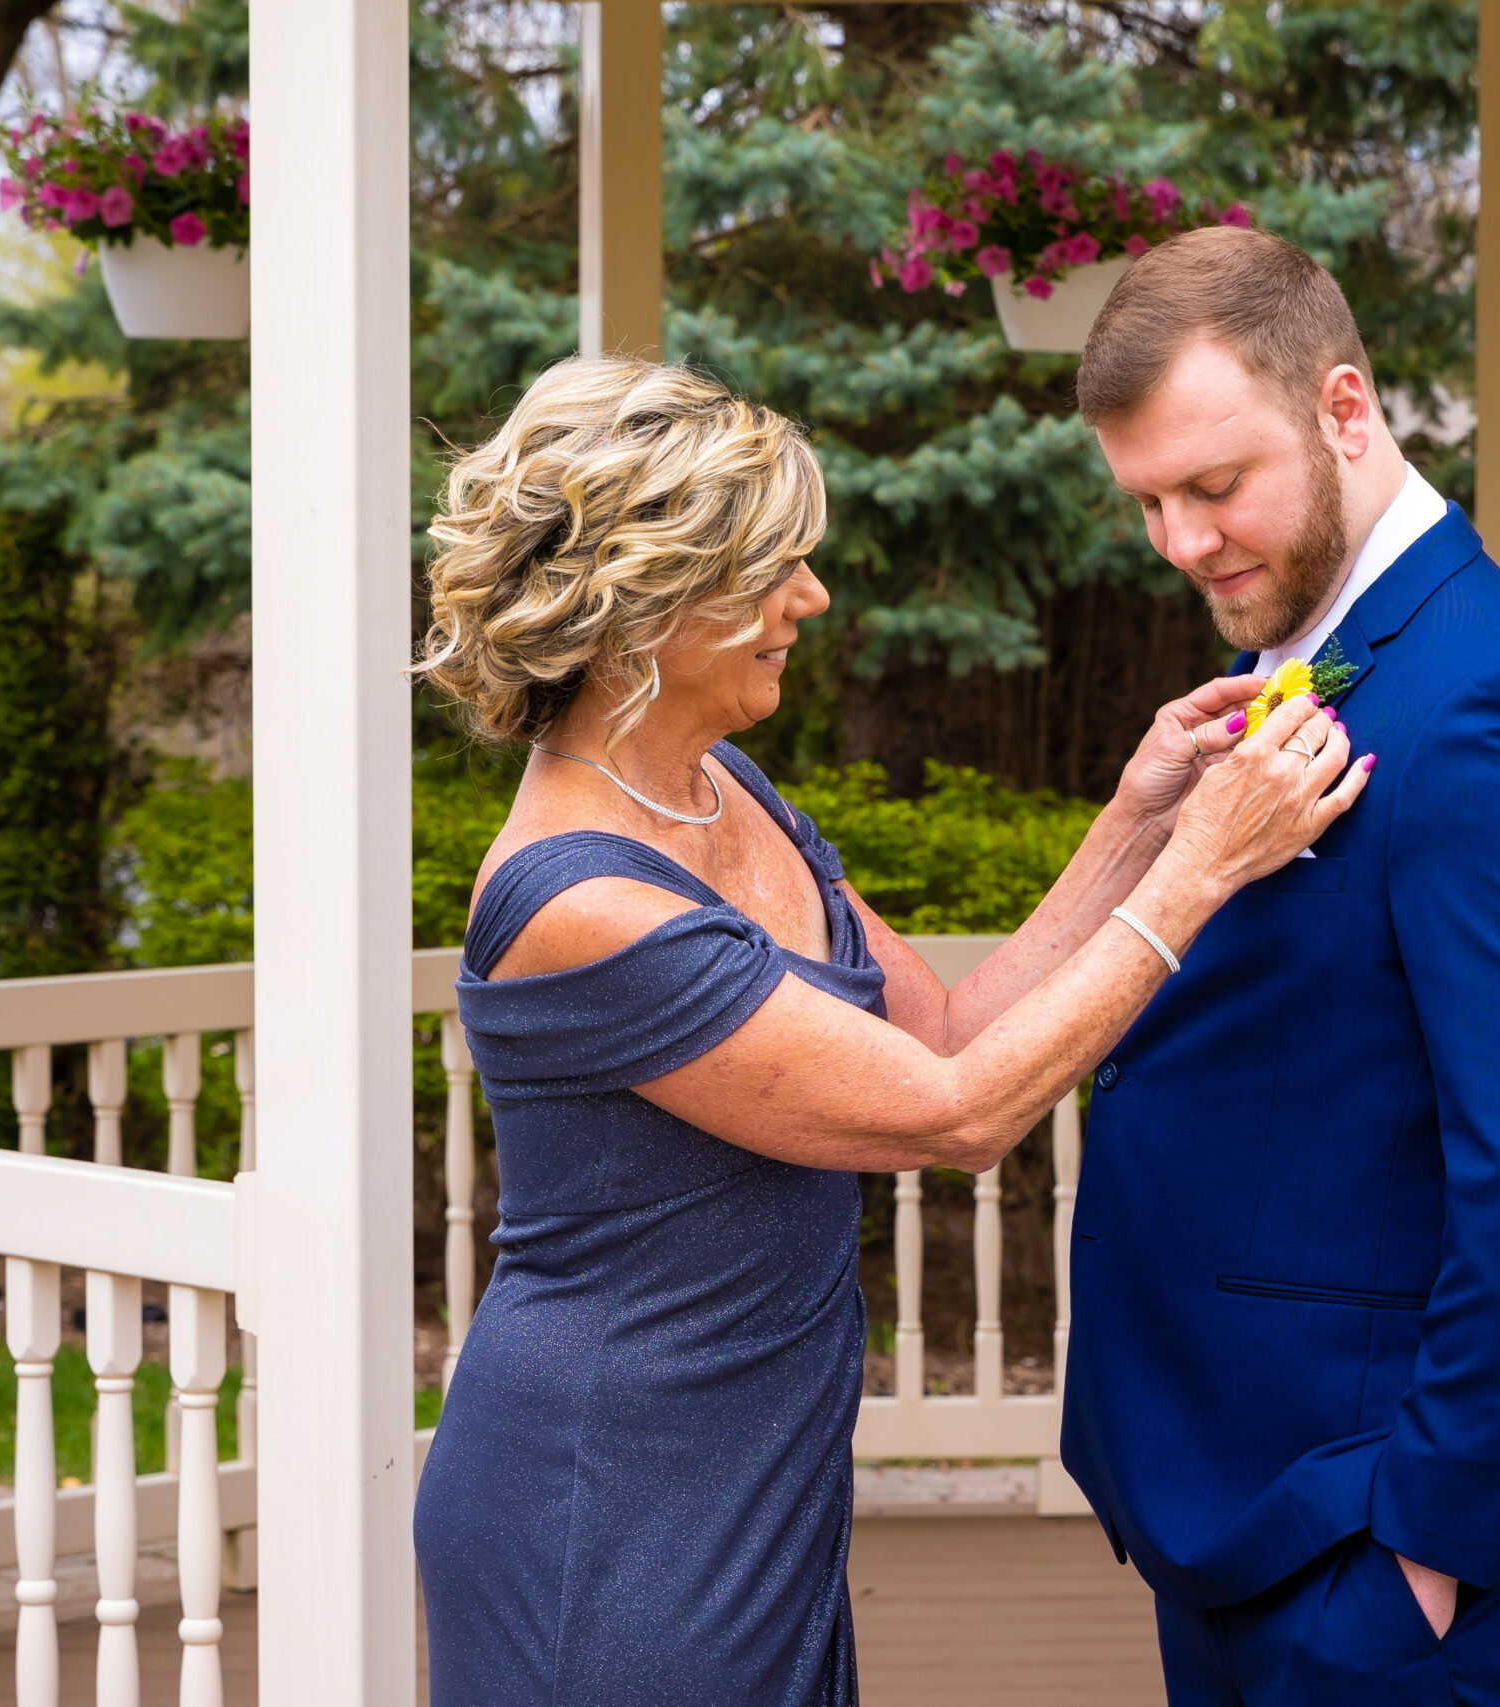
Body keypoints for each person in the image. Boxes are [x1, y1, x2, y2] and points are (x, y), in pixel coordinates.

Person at [406, 356, 1371, 1705]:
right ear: (644, 608)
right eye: (772, 571)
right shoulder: (579, 902)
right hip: (613, 1493)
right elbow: (960, 1115)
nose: (812, 599)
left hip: (760, 1475)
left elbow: (946, 1029)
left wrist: (1144, 812)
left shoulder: (722, 786)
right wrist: (1199, 872)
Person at [1057, 225, 1500, 1703]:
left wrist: (1424, 1558)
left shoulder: (1495, 707)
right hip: (1242, 1506)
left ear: (1344, 409)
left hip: (1377, 1545)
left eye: (1214, 485)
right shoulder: (1313, 649)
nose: (1184, 544)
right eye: (1148, 503)